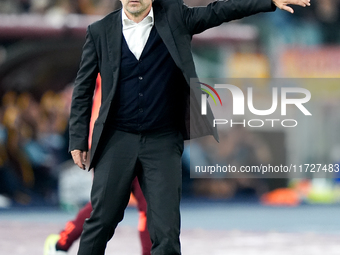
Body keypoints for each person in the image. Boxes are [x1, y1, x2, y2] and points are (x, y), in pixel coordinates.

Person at [68, 0, 310, 254]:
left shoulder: (175, 17)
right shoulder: (99, 31)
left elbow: (220, 10)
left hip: (162, 141)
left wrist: (268, 2)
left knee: (166, 230)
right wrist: (77, 140)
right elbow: (82, 90)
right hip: (116, 139)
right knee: (101, 221)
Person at [45, 75, 152, 255]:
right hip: (113, 144)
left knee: (136, 204)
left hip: (135, 141)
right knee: (108, 205)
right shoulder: (113, 58)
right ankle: (61, 242)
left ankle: (62, 242)